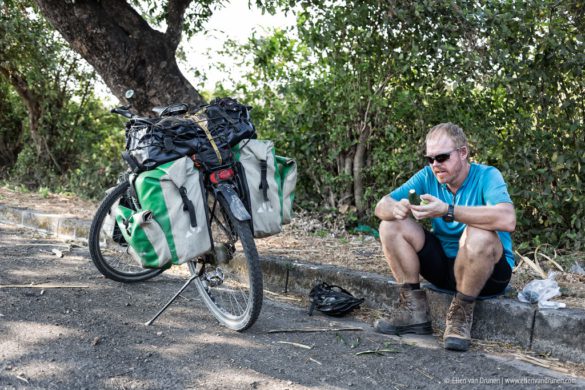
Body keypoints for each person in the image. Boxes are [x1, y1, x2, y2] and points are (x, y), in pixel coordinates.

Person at [373, 122, 516, 352]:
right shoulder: (427, 177)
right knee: (390, 226)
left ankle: (461, 314)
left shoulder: (488, 176)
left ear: (463, 152)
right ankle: (413, 310)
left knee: (478, 232)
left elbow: (508, 219)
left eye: (442, 157)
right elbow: (382, 205)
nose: (435, 165)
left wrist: (448, 210)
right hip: (445, 267)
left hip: (487, 273)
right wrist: (395, 209)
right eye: (430, 159)